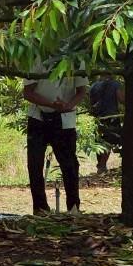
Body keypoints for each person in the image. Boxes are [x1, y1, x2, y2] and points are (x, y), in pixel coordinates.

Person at [23, 65, 88, 214]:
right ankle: (40, 208)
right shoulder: (36, 56)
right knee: (35, 163)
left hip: (65, 118)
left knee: (70, 165)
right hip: (38, 116)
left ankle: (73, 207)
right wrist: (51, 104)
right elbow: (27, 92)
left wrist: (67, 106)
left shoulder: (76, 59)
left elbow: (81, 90)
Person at [89, 73, 124, 173]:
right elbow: (121, 99)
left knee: (99, 141)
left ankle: (100, 164)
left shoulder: (94, 86)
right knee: (109, 140)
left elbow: (91, 103)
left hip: (97, 117)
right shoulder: (115, 84)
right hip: (111, 116)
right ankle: (102, 165)